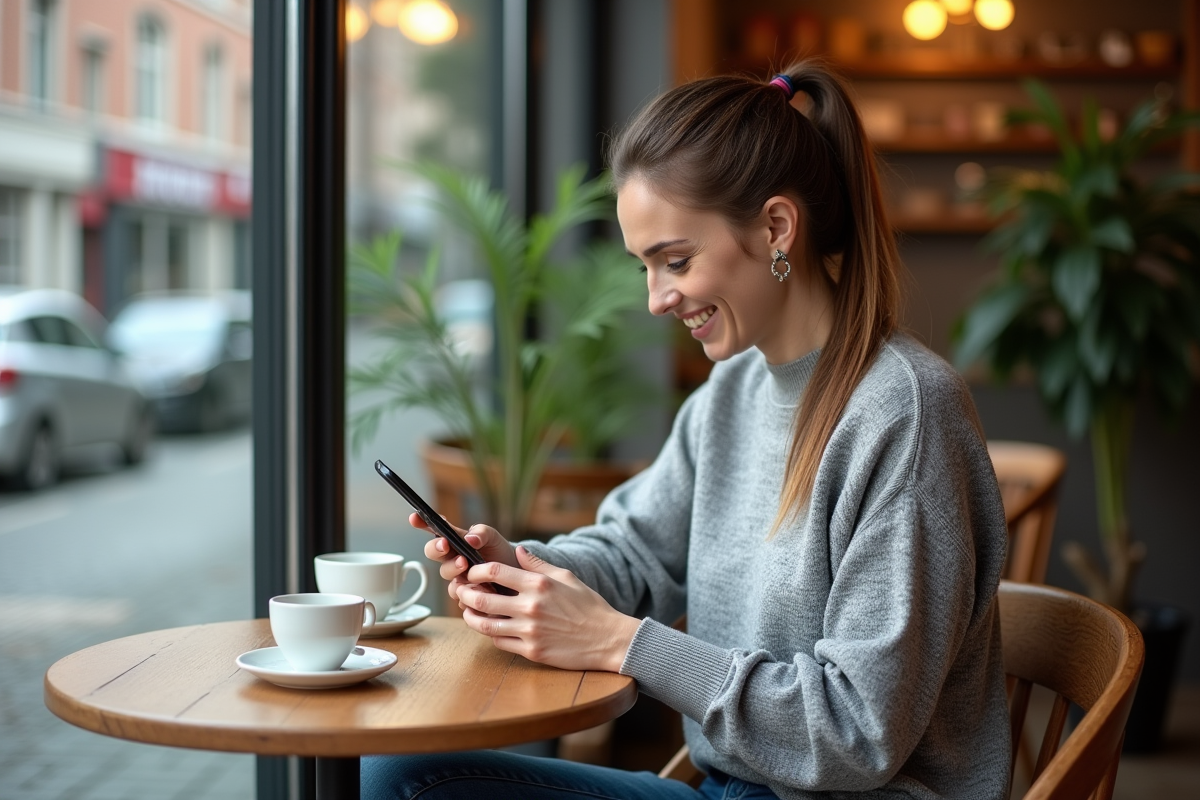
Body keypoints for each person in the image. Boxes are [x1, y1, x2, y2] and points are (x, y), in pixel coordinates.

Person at [363, 61, 1011, 800]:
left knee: (408, 785)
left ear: (775, 227)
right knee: (396, 774)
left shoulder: (906, 411)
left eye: (676, 261)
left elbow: (856, 731)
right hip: (730, 787)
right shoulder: (730, 391)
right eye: (644, 266)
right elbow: (637, 550)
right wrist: (522, 568)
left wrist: (621, 643)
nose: (654, 300)